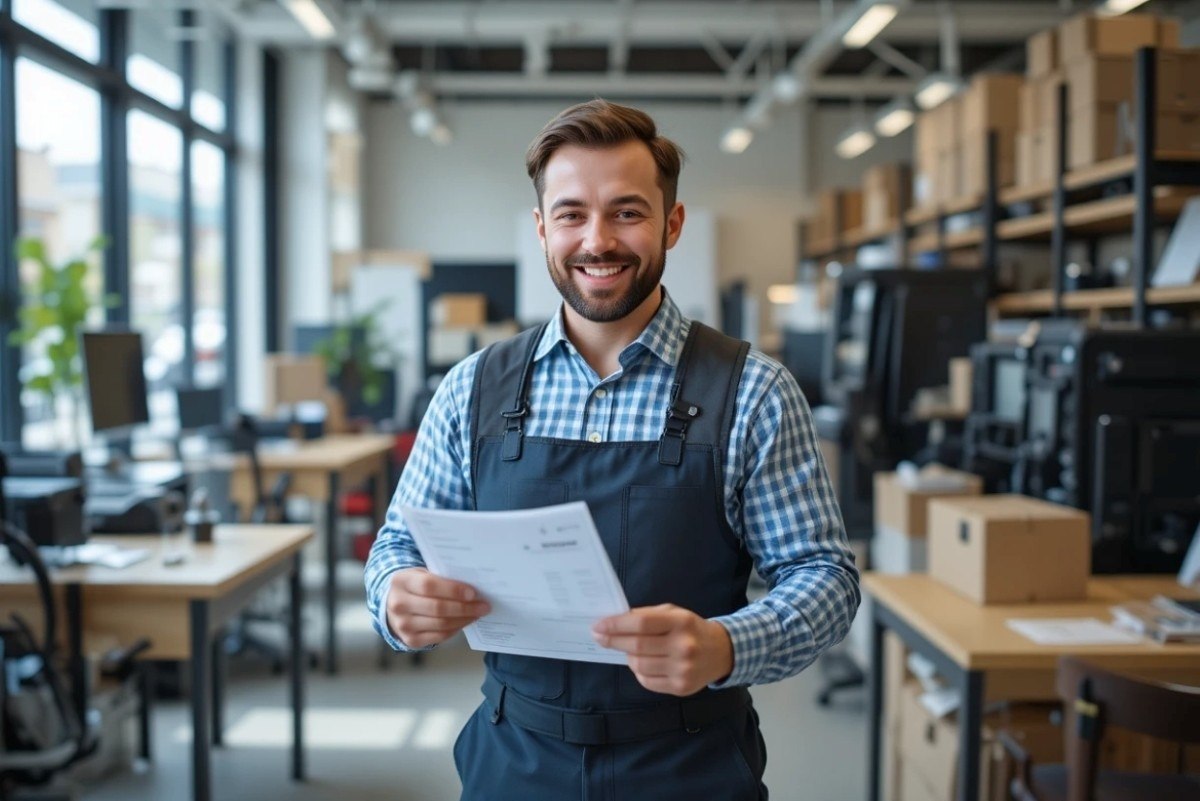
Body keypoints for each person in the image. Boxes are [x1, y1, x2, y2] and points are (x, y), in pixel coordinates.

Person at [365, 99, 860, 800]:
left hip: (691, 767)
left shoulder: (753, 391)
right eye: (571, 214)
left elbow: (825, 576)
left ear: (672, 223)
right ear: (542, 228)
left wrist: (727, 645)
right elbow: (396, 544)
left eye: (627, 212)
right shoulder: (471, 389)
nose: (597, 240)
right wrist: (393, 597)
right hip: (513, 764)